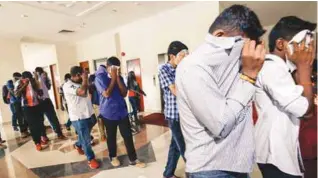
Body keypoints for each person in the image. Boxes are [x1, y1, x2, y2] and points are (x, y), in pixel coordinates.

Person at [175, 5, 266, 178]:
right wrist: (249, 76)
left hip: (238, 165)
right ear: (219, 37)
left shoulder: (235, 60)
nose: (247, 54)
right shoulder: (192, 67)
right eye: (243, 47)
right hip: (211, 169)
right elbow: (221, 125)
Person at [254, 16, 316, 178]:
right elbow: (306, 111)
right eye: (302, 43)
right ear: (281, 44)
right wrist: (304, 69)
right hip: (275, 155)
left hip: (281, 152)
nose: (307, 50)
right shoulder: (272, 68)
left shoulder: (285, 70)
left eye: (309, 45)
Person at [95, 57, 146, 168]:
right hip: (108, 113)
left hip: (122, 112)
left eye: (117, 68)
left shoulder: (119, 77)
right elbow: (107, 94)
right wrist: (113, 78)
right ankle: (113, 156)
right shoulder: (100, 77)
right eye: (113, 68)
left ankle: (133, 159)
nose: (115, 70)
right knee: (111, 137)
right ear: (107, 66)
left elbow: (124, 93)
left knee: (127, 136)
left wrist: (117, 78)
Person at [158, 41, 188, 178]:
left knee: (175, 146)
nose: (186, 58)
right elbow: (176, 91)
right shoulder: (164, 69)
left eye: (187, 54)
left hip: (185, 114)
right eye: (182, 55)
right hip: (174, 116)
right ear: (172, 56)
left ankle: (168, 173)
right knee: (184, 148)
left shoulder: (184, 68)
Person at [63, 66, 99, 169]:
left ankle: (78, 144)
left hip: (89, 114)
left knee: (85, 135)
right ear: (78, 75)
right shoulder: (68, 85)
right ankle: (90, 158)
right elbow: (82, 93)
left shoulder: (82, 82)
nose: (85, 75)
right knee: (86, 138)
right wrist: (85, 79)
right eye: (83, 74)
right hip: (78, 117)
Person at [15, 71, 48, 151]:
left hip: (37, 106)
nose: (27, 80)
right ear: (22, 78)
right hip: (27, 108)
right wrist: (25, 85)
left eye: (29, 78)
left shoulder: (34, 82)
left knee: (40, 123)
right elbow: (17, 95)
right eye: (25, 78)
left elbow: (41, 93)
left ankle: (43, 137)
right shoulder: (19, 84)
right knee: (33, 126)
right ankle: (37, 143)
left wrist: (36, 84)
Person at [35, 67, 66, 140]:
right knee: (52, 118)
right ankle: (59, 134)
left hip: (40, 101)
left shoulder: (39, 78)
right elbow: (48, 87)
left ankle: (44, 136)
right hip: (46, 100)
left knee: (41, 120)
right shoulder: (44, 76)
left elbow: (46, 87)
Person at [88, 74, 106, 141]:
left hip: (96, 105)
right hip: (102, 104)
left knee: (100, 120)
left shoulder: (90, 87)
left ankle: (103, 136)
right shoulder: (99, 85)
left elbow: (90, 98)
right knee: (103, 120)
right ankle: (104, 135)